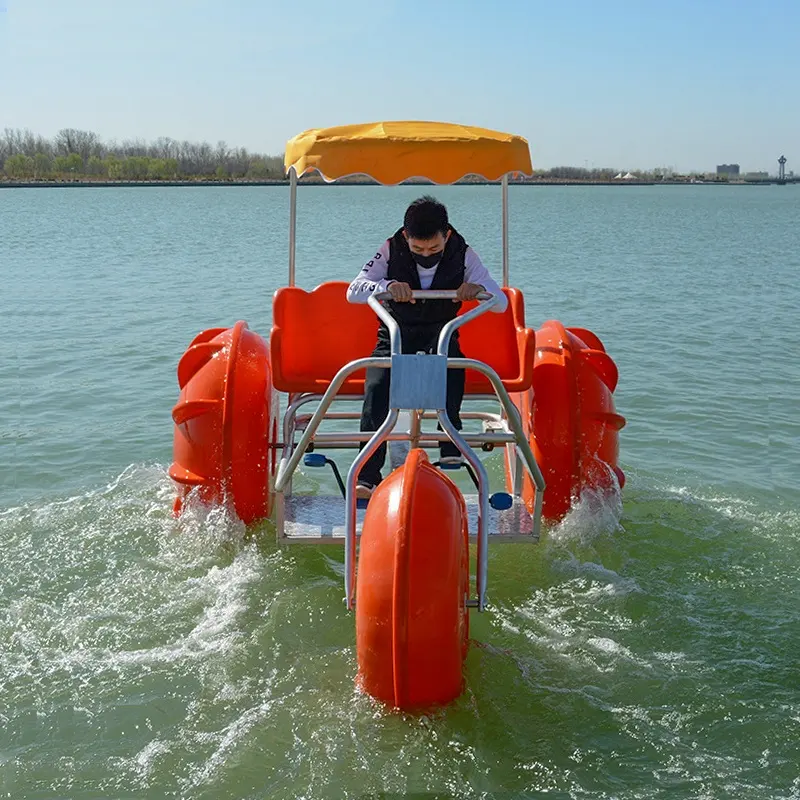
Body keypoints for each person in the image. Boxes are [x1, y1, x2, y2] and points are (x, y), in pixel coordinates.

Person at [346, 196, 508, 499]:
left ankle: (450, 446)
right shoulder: (389, 249)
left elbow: (501, 303)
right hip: (396, 332)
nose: (426, 255)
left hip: (440, 332)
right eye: (418, 249)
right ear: (406, 237)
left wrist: (478, 290)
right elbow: (354, 290)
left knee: (452, 369)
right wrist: (387, 286)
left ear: (446, 236)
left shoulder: (464, 254)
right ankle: (367, 476)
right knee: (378, 384)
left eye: (434, 249)